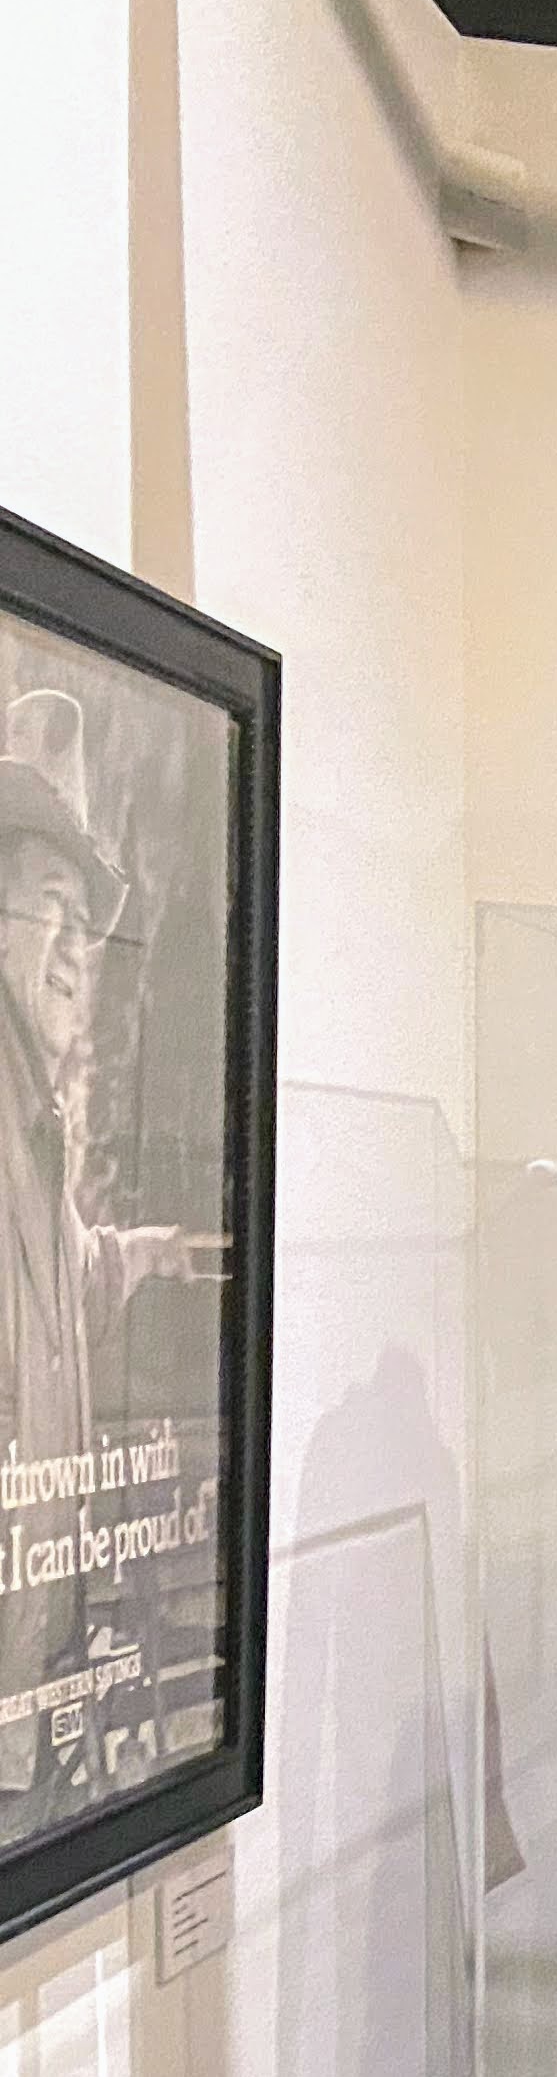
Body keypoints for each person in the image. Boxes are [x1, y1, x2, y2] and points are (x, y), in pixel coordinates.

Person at [0, 690, 123, 1815]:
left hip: (33, 1708)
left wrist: (174, 1255)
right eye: (51, 909)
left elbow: (77, 1269)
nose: (76, 951)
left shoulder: (39, 1130)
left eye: (87, 923)